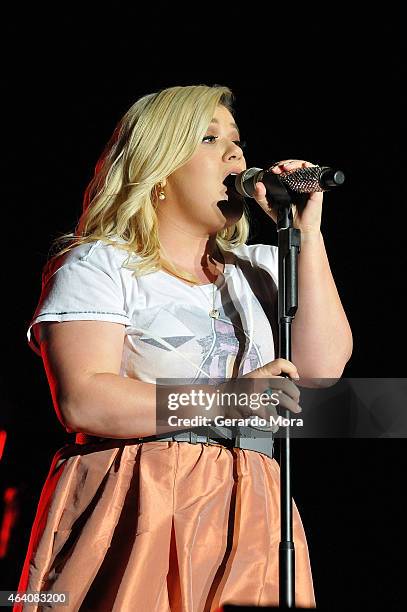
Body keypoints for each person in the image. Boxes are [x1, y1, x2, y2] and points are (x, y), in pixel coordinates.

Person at [15, 84, 353, 611]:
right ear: (158, 170)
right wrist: (230, 396)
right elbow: (84, 399)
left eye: (237, 140)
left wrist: (306, 233)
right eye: (210, 138)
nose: (236, 154)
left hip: (253, 500)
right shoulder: (100, 264)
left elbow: (322, 368)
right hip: (139, 496)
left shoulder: (262, 267)